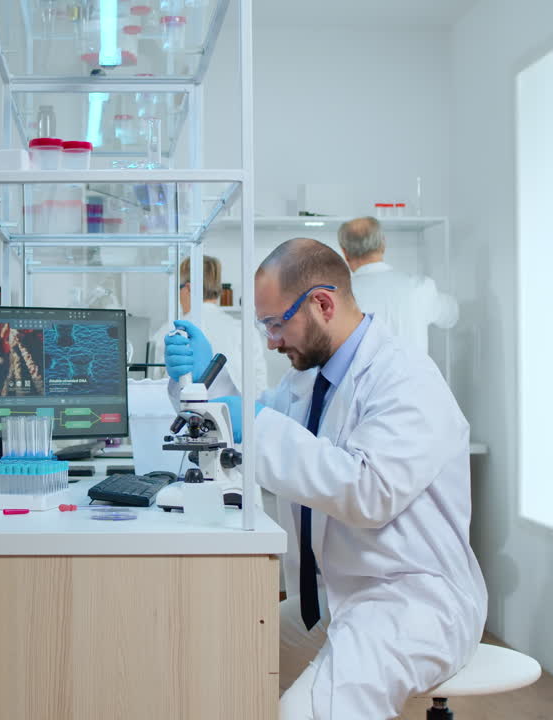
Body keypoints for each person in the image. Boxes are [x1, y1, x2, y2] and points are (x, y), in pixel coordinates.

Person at [164, 238, 486, 720]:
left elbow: (367, 492)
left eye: (276, 323)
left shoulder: (405, 378)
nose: (271, 340)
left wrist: (249, 422)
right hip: (339, 597)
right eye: (264, 325)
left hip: (411, 600)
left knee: (309, 712)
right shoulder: (308, 378)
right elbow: (253, 429)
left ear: (322, 303)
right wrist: (202, 386)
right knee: (221, 662)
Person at [337, 216, 458, 354]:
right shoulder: (418, 287)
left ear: (345, 252)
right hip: (413, 375)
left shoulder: (340, 295)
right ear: (383, 244)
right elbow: (451, 315)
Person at [151, 255, 269, 393]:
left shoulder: (170, 331)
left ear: (188, 288)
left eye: (179, 288)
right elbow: (260, 388)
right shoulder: (244, 330)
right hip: (235, 413)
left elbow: (155, 386)